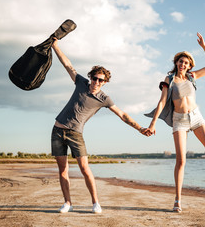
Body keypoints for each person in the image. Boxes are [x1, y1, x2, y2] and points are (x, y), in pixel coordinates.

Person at [51, 38, 150, 214]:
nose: (96, 82)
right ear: (90, 77)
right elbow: (68, 65)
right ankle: (67, 203)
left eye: (100, 80)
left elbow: (123, 115)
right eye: (95, 78)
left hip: (75, 133)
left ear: (105, 82)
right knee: (63, 170)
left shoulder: (104, 99)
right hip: (57, 130)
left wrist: (140, 128)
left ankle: (96, 203)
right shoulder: (81, 83)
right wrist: (55, 46)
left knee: (84, 168)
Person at [145, 32, 205, 213]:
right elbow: (162, 102)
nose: (183, 64)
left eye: (186, 62)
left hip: (196, 117)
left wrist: (204, 46)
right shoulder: (169, 80)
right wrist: (153, 123)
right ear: (176, 63)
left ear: (189, 65)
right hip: (179, 121)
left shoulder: (191, 77)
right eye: (180, 61)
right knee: (181, 161)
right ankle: (178, 200)